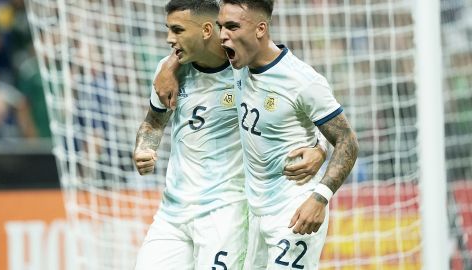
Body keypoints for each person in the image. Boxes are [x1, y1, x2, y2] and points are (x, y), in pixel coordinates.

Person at [133, 1, 328, 269]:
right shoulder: (170, 72)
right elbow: (153, 123)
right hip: (172, 212)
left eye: (177, 30)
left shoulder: (248, 67)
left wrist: (321, 148)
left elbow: (302, 109)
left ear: (206, 30)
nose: (169, 39)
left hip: (226, 212)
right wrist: (145, 147)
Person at [214, 0, 359, 269]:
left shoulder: (302, 80)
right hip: (254, 211)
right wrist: (169, 69)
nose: (222, 35)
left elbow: (347, 141)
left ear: (260, 29)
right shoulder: (236, 64)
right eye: (221, 26)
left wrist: (320, 198)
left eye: (232, 26)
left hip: (295, 210)